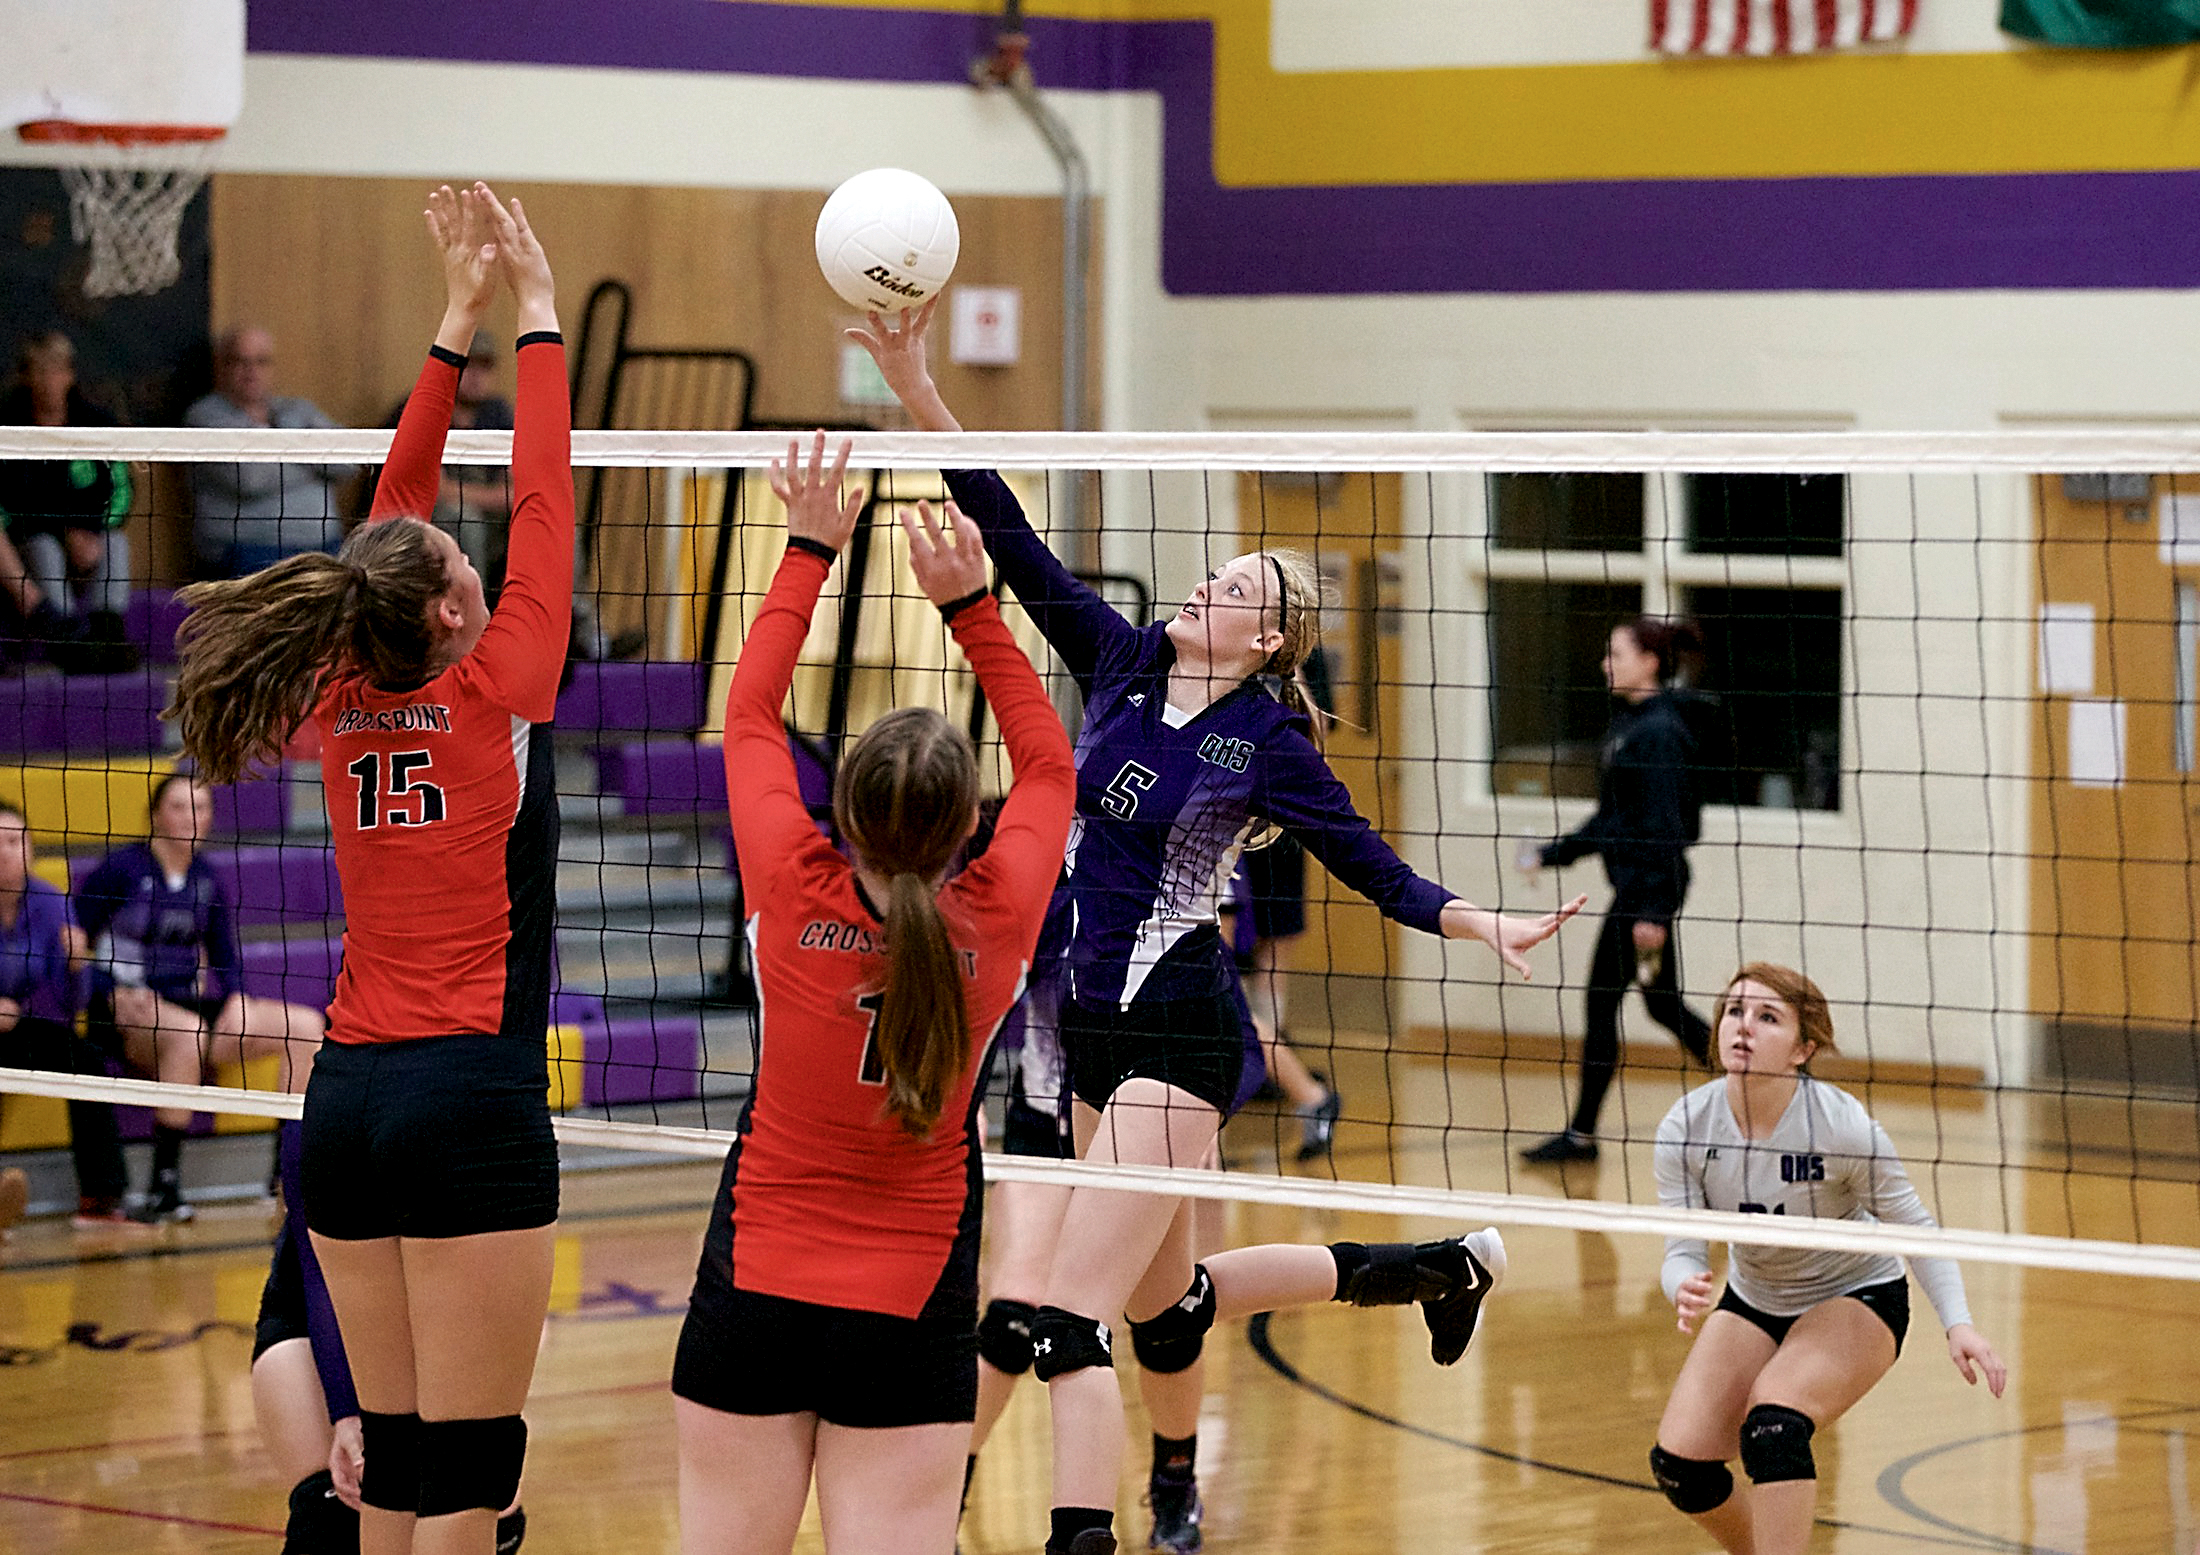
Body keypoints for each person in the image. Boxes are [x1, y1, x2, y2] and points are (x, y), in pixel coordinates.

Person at [852, 300, 1584, 1555]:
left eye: (1236, 588)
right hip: (1081, 1025)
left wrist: (1473, 921)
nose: (1209, 582)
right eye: (1217, 573)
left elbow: (1359, 854)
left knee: (1067, 1321)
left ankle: (1084, 1534)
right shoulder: (1126, 663)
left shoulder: (1269, 739)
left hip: (1179, 1025)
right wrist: (921, 392)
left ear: (1270, 639)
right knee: (1171, 1311)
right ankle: (1426, 1270)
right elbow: (1015, 548)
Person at [166, 181, 568, 1555]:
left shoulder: (346, 677)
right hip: (468, 1094)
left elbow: (393, 525)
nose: (466, 538)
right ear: (458, 608)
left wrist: (462, 321)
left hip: (345, 1099)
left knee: (393, 1459)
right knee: (469, 1465)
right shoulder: (499, 683)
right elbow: (544, 488)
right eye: (464, 557)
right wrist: (539, 314)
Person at [670, 437, 1075, 1555]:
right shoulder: (993, 922)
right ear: (966, 828)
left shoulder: (790, 885)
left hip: (757, 1279)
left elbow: (749, 718)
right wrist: (973, 605)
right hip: (911, 1298)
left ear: (841, 814)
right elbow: (1049, 770)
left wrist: (807, 545)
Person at [1650, 962, 2006, 1555]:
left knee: (1775, 1428)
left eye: (1768, 1018)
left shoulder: (1841, 1127)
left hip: (1856, 1295)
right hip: (1757, 1297)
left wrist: (1959, 1321)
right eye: (1735, 1011)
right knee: (1681, 1468)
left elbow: (1915, 1228)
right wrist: (1683, 1281)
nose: (1744, 1027)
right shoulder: (1685, 1127)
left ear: (1803, 1048)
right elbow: (1681, 1248)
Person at [75, 771, 327, 1222]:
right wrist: (107, 991)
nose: (193, 816)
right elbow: (73, 942)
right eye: (180, 806)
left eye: (202, 806)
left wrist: (236, 998)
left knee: (305, 1027)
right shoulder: (121, 870)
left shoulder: (207, 879)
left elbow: (225, 955)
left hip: (182, 1008)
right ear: (155, 815)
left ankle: (286, 1178)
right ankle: (163, 1189)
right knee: (187, 1033)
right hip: (122, 1012)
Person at [1518, 615, 1715, 1165]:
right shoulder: (1632, 725)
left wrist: (1653, 908)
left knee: (1606, 1004)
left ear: (1650, 662)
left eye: (1617, 654)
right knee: (1662, 1004)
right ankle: (1768, 1088)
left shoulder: (1657, 734)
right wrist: (1551, 853)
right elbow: (1613, 820)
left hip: (1644, 897)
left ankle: (1581, 1136)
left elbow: (1667, 829)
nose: (1606, 663)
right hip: (1639, 892)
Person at [0, 800, 114, 1228]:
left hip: (18, 1028)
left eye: (15, 841)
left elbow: (71, 1005)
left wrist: (76, 966)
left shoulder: (49, 902)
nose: (6, 851)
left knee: (82, 1061)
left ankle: (101, 1199)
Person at [0, 331, 137, 669]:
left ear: (70, 376)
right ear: (26, 376)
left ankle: (108, 632)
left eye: (58, 370)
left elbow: (121, 490)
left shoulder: (95, 423)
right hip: (30, 540)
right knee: (44, 548)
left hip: (88, 539)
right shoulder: (9, 427)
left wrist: (90, 528)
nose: (49, 380)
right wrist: (63, 531)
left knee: (115, 543)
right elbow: (8, 507)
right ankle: (64, 637)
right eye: (40, 370)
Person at [185, 325, 360, 577]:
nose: (251, 371)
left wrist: (282, 454)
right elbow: (249, 478)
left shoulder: (299, 410)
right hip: (247, 553)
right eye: (240, 361)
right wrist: (313, 456)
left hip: (324, 548)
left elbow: (349, 461)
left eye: (261, 362)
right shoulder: (205, 417)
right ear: (222, 366)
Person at [381, 330, 516, 599]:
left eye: (485, 366)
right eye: (468, 365)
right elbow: (438, 492)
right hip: (422, 525)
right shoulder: (421, 408)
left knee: (557, 526)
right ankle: (475, 609)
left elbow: (516, 488)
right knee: (465, 518)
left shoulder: (497, 412)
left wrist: (499, 497)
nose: (476, 376)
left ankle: (583, 627)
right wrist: (498, 497)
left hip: (488, 522)